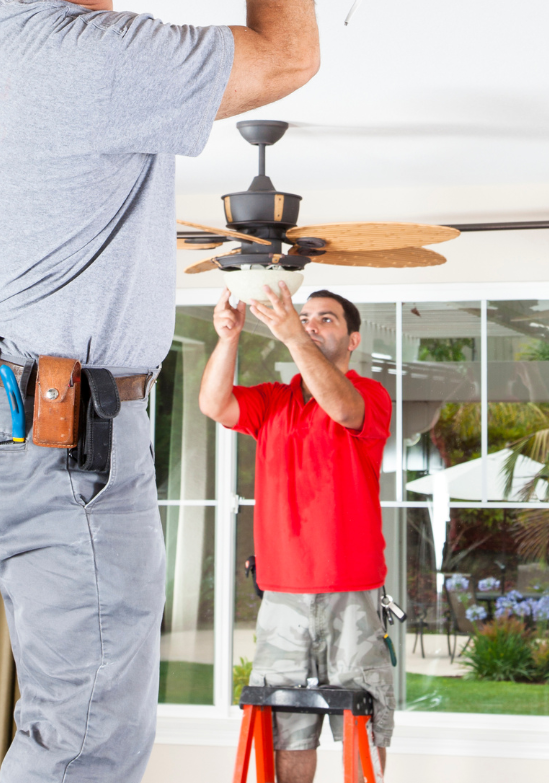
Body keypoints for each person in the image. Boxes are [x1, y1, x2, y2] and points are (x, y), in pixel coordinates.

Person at [0, 0, 319, 783]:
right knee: (88, 740)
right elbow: (287, 56)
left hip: (24, 422)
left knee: (76, 723)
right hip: (61, 447)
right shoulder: (96, 63)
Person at [199, 284, 396, 783]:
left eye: (326, 319)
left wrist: (293, 339)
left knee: (363, 726)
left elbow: (343, 409)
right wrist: (228, 338)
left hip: (351, 592)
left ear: (353, 339)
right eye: (305, 317)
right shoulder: (272, 402)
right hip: (281, 598)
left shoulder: (367, 395)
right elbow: (213, 403)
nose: (310, 324)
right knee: (286, 731)